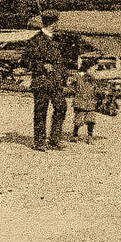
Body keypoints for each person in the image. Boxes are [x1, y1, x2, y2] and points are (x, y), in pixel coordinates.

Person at [19, 10, 69, 151]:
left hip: (56, 81)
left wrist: (65, 77)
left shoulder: (57, 40)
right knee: (41, 111)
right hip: (41, 81)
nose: (57, 25)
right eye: (56, 23)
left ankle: (54, 139)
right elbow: (24, 61)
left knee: (61, 107)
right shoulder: (35, 41)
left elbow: (60, 62)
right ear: (52, 24)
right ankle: (39, 142)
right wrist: (41, 66)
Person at [67, 59, 101, 143]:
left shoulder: (93, 78)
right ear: (88, 68)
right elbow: (69, 84)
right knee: (78, 119)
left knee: (91, 120)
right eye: (93, 68)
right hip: (80, 101)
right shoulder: (78, 76)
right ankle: (75, 135)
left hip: (91, 101)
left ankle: (89, 136)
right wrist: (74, 90)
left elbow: (96, 89)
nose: (95, 70)